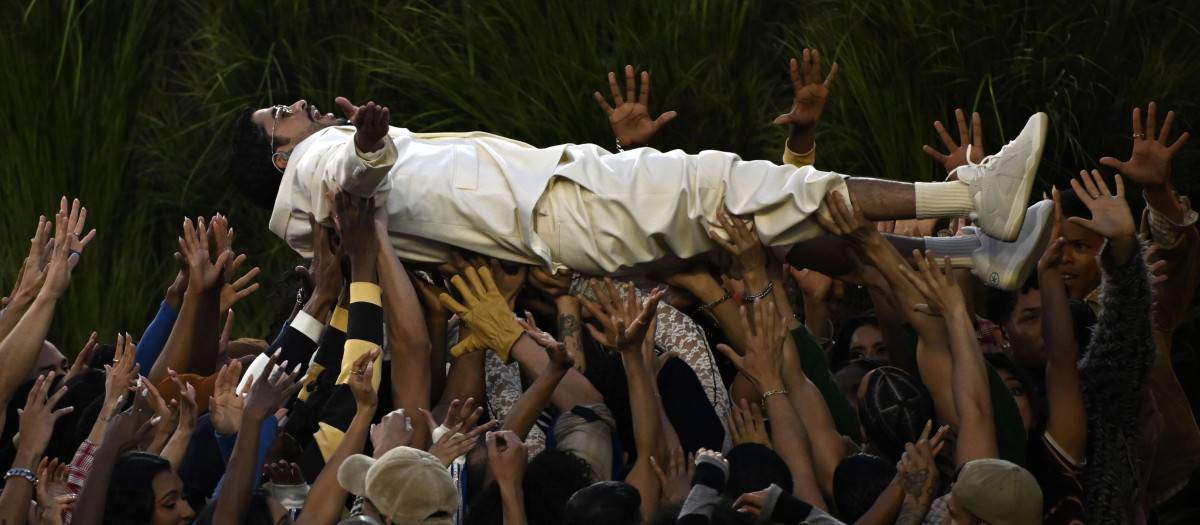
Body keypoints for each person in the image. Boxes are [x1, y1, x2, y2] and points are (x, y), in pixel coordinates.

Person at [227, 53, 1050, 285]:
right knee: (737, 185)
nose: (295, 106)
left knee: (771, 236)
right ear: (278, 150)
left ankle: (974, 254)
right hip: (558, 205)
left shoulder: (310, 209)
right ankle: (972, 195)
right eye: (280, 114)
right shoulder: (319, 161)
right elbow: (355, 191)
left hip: (559, 214)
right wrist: (367, 144)